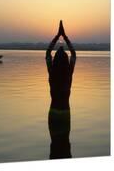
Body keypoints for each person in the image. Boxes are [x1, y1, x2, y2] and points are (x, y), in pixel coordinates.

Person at [46, 20, 76, 159]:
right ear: (65, 59)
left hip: (53, 113)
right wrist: (65, 36)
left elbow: (47, 54)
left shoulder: (52, 73)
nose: (61, 48)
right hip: (65, 114)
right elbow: (74, 55)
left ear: (56, 60)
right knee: (65, 147)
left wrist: (58, 36)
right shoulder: (68, 73)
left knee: (54, 147)